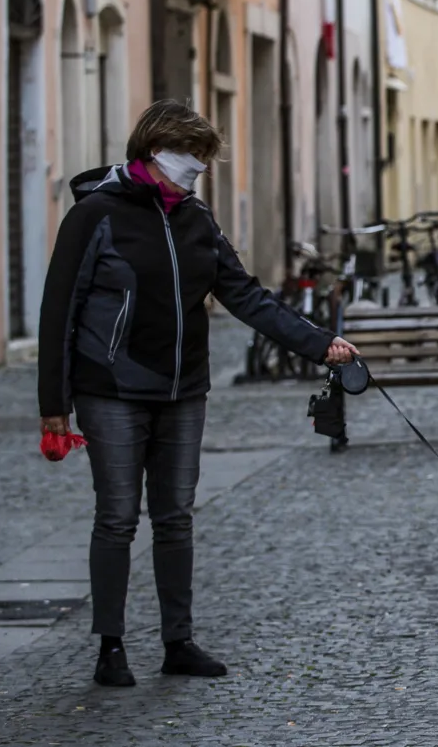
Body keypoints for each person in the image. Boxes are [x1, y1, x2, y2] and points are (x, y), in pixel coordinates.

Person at [37, 100, 359, 688]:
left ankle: (178, 641)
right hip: (110, 388)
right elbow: (59, 309)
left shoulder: (196, 219)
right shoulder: (95, 216)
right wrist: (53, 406)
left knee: (176, 517)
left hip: (184, 389)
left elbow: (247, 295)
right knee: (116, 517)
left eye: (204, 159)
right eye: (192, 157)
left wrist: (320, 343)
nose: (198, 170)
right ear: (155, 151)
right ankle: (110, 646)